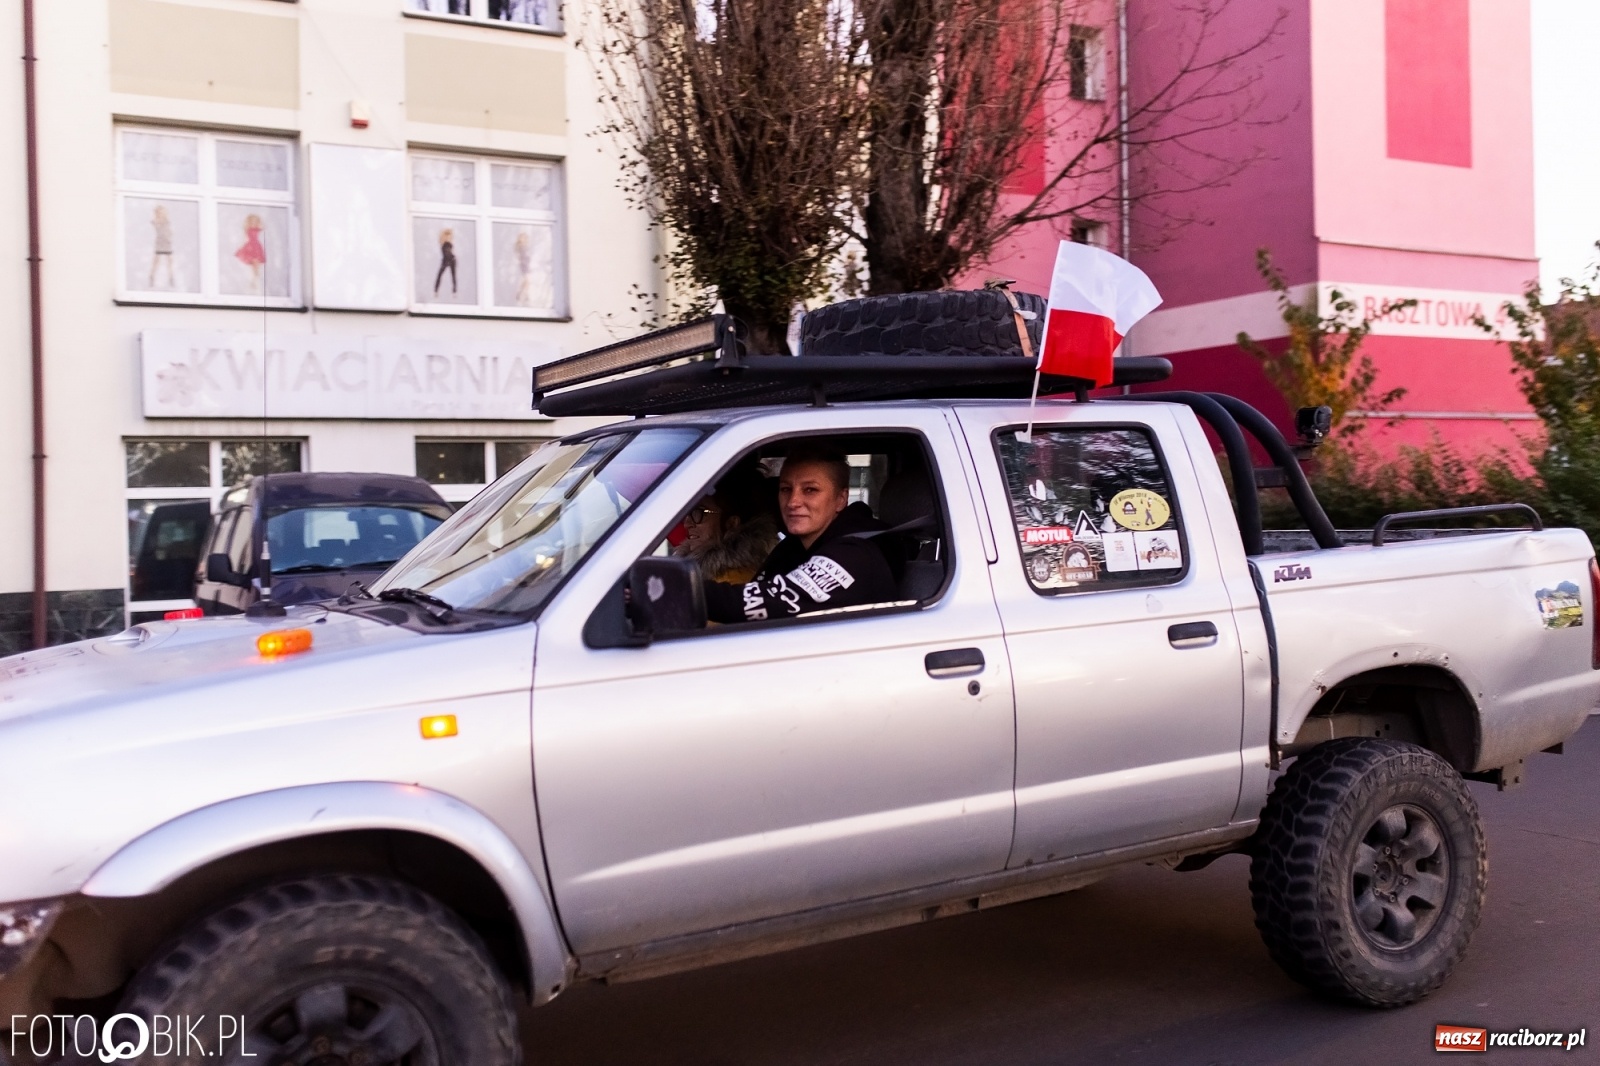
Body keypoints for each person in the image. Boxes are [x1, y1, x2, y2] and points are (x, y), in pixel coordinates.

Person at [705, 445, 897, 624]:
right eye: (786, 489)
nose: (793, 502)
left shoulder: (855, 555)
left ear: (841, 499)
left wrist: (686, 593)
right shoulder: (791, 548)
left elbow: (770, 602)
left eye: (810, 490)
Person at [674, 474, 780, 585]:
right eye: (688, 512)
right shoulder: (695, 571)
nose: (687, 524)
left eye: (699, 513)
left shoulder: (734, 582)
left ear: (731, 524)